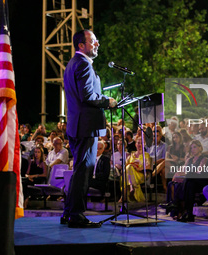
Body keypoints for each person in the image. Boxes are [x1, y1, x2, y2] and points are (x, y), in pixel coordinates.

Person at [60, 29, 116, 228]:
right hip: (86, 127)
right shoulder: (83, 64)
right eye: (93, 41)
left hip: (78, 126)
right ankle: (76, 215)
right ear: (81, 45)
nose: (97, 44)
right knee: (83, 172)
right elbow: (88, 96)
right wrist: (107, 101)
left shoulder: (72, 64)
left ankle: (69, 212)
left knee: (79, 171)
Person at [120, 137, 151, 202]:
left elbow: (148, 166)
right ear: (135, 144)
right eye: (138, 143)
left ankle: (124, 196)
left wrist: (139, 168)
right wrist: (132, 165)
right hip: (130, 174)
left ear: (144, 144)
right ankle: (132, 187)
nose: (139, 145)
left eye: (141, 143)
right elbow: (125, 166)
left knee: (129, 169)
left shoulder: (146, 155)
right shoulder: (131, 155)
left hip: (140, 174)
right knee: (129, 168)